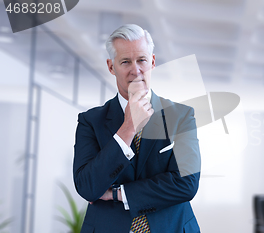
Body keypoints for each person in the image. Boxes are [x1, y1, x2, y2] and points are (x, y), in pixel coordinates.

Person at [73, 24, 201, 233]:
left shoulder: (181, 116)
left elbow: (187, 184)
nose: (136, 70)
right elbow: (88, 187)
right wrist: (128, 128)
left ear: (152, 62)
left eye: (141, 60)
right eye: (125, 62)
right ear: (111, 66)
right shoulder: (90, 121)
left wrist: (117, 193)